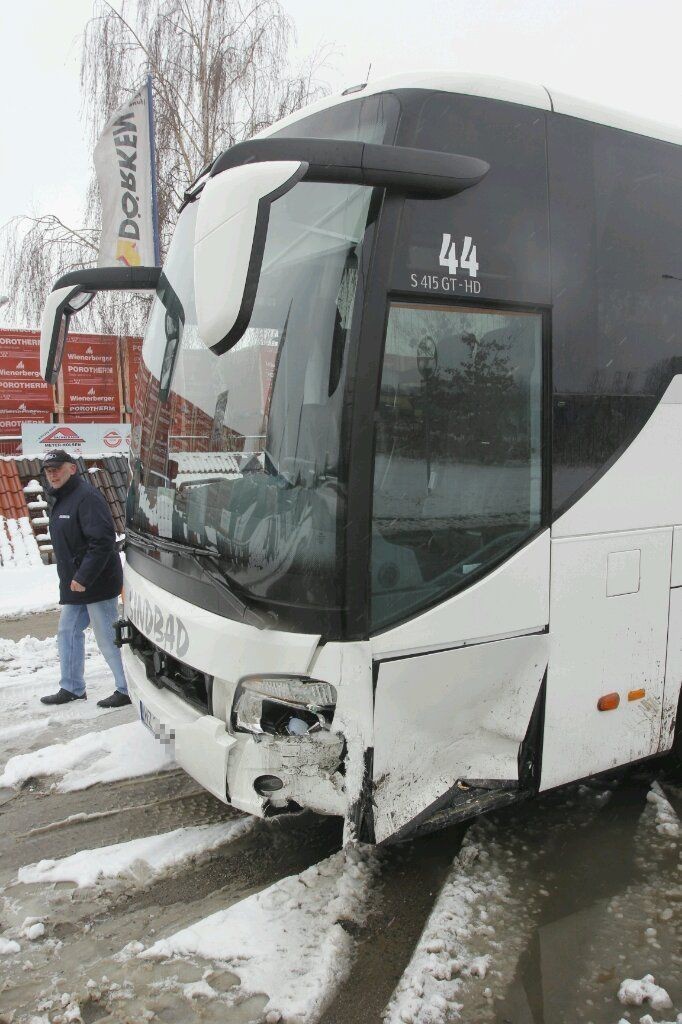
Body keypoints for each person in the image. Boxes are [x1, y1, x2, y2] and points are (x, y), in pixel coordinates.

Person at [39, 449, 131, 709]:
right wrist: (74, 578)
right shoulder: (61, 499)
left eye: (57, 469)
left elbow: (102, 542)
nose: (53, 474)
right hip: (75, 583)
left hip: (96, 582)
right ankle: (72, 688)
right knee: (67, 632)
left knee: (106, 636)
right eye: (48, 470)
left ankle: (127, 688)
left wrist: (84, 576)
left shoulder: (87, 497)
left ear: (72, 468)